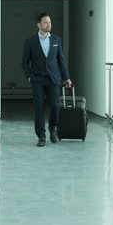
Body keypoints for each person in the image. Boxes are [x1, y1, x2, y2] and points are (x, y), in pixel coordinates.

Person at [21, 13, 72, 147]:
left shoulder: (56, 40)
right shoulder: (31, 41)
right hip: (37, 79)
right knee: (38, 108)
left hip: (54, 79)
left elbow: (61, 61)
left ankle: (52, 128)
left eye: (50, 22)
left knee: (55, 105)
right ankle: (41, 136)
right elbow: (25, 62)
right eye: (45, 22)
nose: (49, 24)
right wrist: (29, 76)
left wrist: (66, 77)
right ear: (39, 25)